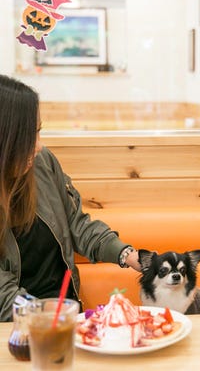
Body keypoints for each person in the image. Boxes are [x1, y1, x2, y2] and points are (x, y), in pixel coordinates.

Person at [0, 74, 141, 321]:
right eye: (29, 136)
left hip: (67, 317)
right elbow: (3, 295)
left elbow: (78, 226)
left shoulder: (43, 164)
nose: (39, 146)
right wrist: (51, 315)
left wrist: (128, 255)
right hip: (17, 329)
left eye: (39, 132)